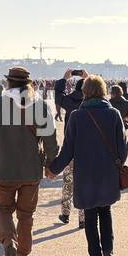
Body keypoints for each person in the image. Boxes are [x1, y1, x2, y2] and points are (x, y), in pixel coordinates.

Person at [47, 74, 128, 256]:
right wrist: (117, 163)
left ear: (85, 92)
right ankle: (108, 251)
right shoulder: (114, 114)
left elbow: (67, 150)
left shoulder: (76, 116)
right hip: (107, 174)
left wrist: (53, 169)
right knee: (106, 212)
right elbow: (124, 146)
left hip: (85, 176)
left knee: (90, 219)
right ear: (103, 91)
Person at [0, 66, 58, 256]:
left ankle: (9, 245)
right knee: (26, 215)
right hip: (31, 170)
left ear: (8, 83)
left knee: (2, 210)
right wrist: (50, 163)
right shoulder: (40, 106)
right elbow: (50, 140)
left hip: (3, 168)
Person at [51, 69, 86, 227]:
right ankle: (83, 217)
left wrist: (64, 79)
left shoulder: (70, 100)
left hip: (71, 147)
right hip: (88, 149)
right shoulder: (93, 103)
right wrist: (89, 77)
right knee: (84, 184)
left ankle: (65, 214)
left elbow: (57, 95)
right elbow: (103, 92)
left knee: (68, 183)